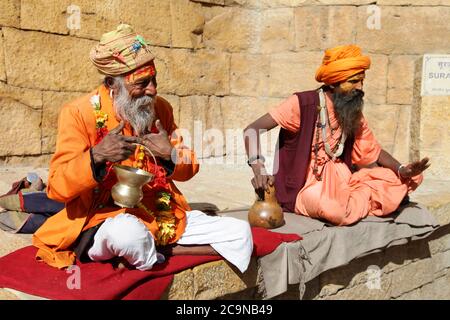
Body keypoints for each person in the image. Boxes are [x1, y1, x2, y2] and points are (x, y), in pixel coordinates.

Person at [33, 24, 252, 272]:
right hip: (104, 218)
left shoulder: (160, 109)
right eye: (142, 83)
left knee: (240, 232)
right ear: (111, 84)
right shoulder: (78, 114)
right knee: (127, 236)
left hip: (160, 214)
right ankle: (144, 250)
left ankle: (154, 252)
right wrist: (97, 156)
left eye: (154, 79)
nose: (153, 89)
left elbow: (190, 167)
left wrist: (169, 154)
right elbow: (57, 188)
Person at [244, 45, 430, 226]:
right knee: (334, 209)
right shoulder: (303, 104)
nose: (360, 87)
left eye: (362, 81)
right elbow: (252, 130)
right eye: (354, 81)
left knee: (409, 178)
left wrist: (402, 169)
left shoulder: (351, 109)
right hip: (307, 187)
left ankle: (358, 199)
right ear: (333, 82)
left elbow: (372, 149)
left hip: (344, 179)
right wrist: (259, 169)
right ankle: (365, 201)